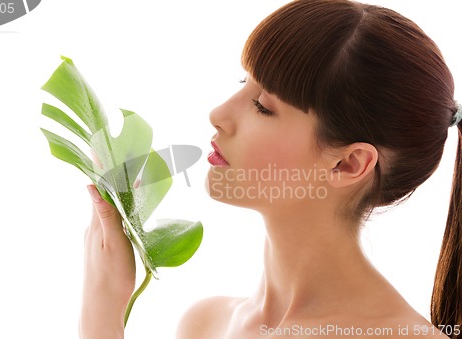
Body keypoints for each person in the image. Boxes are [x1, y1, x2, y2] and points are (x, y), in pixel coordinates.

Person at [79, 0, 462, 338]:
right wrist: (103, 305)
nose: (219, 114)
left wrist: (102, 321)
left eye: (263, 105)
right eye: (242, 82)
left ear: (349, 163)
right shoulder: (204, 324)